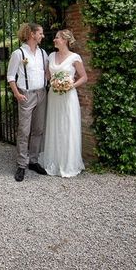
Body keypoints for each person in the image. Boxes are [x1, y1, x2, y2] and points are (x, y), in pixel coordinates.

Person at [41, 29, 87, 177]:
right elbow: (47, 76)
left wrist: (70, 85)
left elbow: (84, 77)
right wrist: (53, 81)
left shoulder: (75, 57)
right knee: (54, 125)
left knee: (67, 126)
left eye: (57, 38)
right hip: (54, 96)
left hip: (68, 97)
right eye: (55, 38)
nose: (54, 40)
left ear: (65, 40)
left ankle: (68, 163)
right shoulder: (51, 55)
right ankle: (54, 160)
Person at [7, 22, 48, 182]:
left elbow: (46, 73)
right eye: (40, 33)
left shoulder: (43, 53)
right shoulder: (18, 53)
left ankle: (33, 161)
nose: (42, 36)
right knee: (24, 131)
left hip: (42, 94)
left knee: (38, 129)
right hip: (26, 95)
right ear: (32, 34)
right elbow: (11, 76)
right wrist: (17, 94)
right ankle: (21, 165)